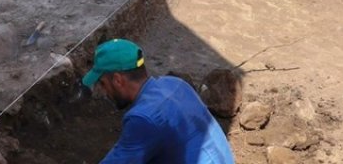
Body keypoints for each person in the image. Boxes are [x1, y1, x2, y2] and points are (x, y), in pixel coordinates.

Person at [83, 39, 234, 163]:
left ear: (117, 80)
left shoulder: (144, 118)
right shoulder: (175, 84)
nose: (103, 92)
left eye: (103, 83)